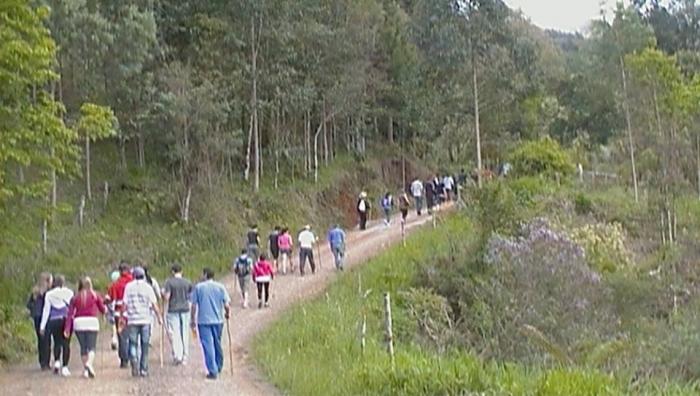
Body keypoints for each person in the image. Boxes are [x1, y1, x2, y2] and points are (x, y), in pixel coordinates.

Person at [190, 268, 231, 380]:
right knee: (217, 343)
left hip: (203, 321)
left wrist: (192, 319)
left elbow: (194, 305)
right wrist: (227, 314)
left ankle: (212, 370)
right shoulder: (220, 287)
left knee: (208, 345)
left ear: (205, 275)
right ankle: (218, 365)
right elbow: (227, 304)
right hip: (218, 320)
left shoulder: (199, 287)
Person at [123, 266, 162, 378]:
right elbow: (154, 304)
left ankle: (134, 360)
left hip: (132, 319)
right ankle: (143, 369)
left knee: (133, 343)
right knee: (144, 345)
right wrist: (159, 317)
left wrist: (122, 317)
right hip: (145, 319)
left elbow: (124, 304)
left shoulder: (128, 287)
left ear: (133, 276)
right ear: (143, 276)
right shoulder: (148, 287)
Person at [65, 277, 106, 379]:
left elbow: (70, 314)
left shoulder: (75, 298)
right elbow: (103, 309)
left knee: (83, 347)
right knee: (91, 347)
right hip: (92, 322)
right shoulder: (95, 295)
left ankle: (86, 370)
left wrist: (67, 328)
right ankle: (89, 364)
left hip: (79, 323)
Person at [39, 274, 74, 376]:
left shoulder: (49, 294)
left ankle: (57, 362)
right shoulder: (69, 292)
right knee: (66, 343)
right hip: (66, 320)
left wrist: (42, 326)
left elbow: (46, 310)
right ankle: (65, 367)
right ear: (63, 282)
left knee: (57, 342)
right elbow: (72, 307)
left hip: (54, 320)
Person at [163, 263, 193, 365]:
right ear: (181, 271)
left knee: (175, 333)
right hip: (185, 309)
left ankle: (177, 355)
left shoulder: (169, 282)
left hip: (173, 309)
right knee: (184, 332)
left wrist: (163, 295)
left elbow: (167, 297)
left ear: (172, 272)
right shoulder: (187, 282)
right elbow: (190, 296)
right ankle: (185, 356)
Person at [106, 262, 133, 368]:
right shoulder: (132, 282)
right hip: (131, 313)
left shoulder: (115, 284)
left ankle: (124, 360)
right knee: (132, 335)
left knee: (122, 337)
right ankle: (133, 355)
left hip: (119, 314)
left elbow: (109, 299)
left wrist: (105, 303)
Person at [26, 272, 52, 370]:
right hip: (45, 317)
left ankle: (42, 361)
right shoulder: (48, 293)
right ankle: (46, 362)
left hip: (37, 317)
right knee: (47, 340)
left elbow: (28, 305)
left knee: (40, 340)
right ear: (47, 281)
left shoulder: (34, 292)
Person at [107, 270, 120, 350]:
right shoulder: (120, 285)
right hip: (118, 308)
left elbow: (108, 297)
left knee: (113, 325)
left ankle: (114, 340)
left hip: (111, 308)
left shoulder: (110, 286)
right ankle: (117, 340)